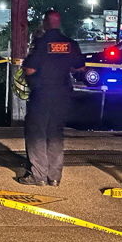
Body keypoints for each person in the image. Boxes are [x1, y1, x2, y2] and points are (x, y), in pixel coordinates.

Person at [18, 10, 85, 187]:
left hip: (41, 95)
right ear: (59, 22)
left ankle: (38, 175)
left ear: (45, 23)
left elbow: (30, 69)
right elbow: (80, 67)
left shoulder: (42, 43)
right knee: (55, 134)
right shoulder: (69, 44)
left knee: (37, 134)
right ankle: (54, 177)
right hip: (62, 95)